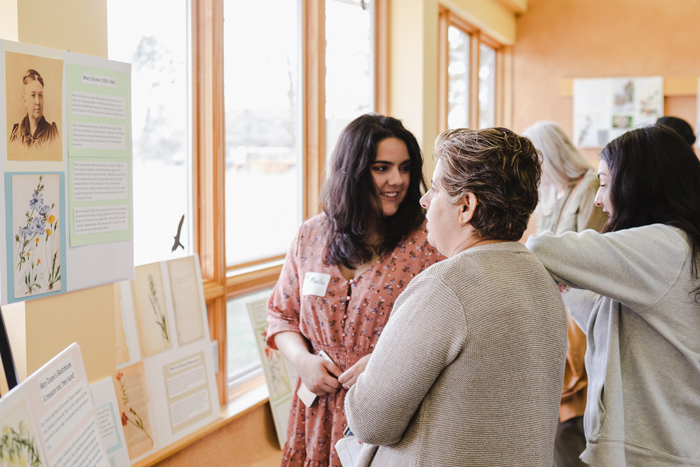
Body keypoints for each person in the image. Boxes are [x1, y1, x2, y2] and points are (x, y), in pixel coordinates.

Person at [345, 128, 568, 466]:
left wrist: (372, 371)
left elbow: (369, 420)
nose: (424, 200)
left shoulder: (445, 287)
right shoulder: (539, 277)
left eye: (435, 189)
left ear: (466, 206)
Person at [266, 114, 441, 467]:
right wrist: (304, 361)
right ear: (353, 173)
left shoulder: (429, 242)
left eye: (405, 168)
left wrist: (384, 363)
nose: (398, 180)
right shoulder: (312, 235)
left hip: (386, 414)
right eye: (382, 168)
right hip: (315, 413)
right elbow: (281, 316)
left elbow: (442, 335)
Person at [527, 125, 700, 466]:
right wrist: (569, 287)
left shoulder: (664, 246)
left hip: (657, 450)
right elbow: (606, 319)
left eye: (605, 184)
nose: (597, 198)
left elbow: (541, 247)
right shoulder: (676, 248)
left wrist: (564, 268)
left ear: (638, 186)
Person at [523, 121, 606, 467]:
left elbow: (588, 254)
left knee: (571, 413)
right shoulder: (552, 193)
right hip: (556, 308)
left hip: (580, 310)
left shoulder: (589, 187)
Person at [9, 69, 59, 148]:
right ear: (25, 101)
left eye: (40, 95)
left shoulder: (52, 135)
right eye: (33, 95)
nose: (38, 102)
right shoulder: (16, 135)